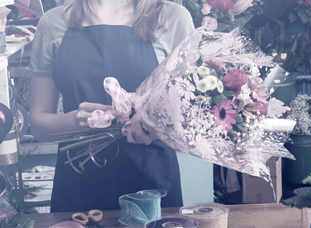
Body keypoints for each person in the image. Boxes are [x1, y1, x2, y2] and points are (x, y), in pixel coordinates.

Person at [29, 0, 194, 212]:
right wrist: (72, 121)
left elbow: (191, 116)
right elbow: (38, 125)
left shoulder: (173, 18)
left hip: (151, 186)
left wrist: (156, 126)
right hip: (78, 185)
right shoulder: (52, 23)